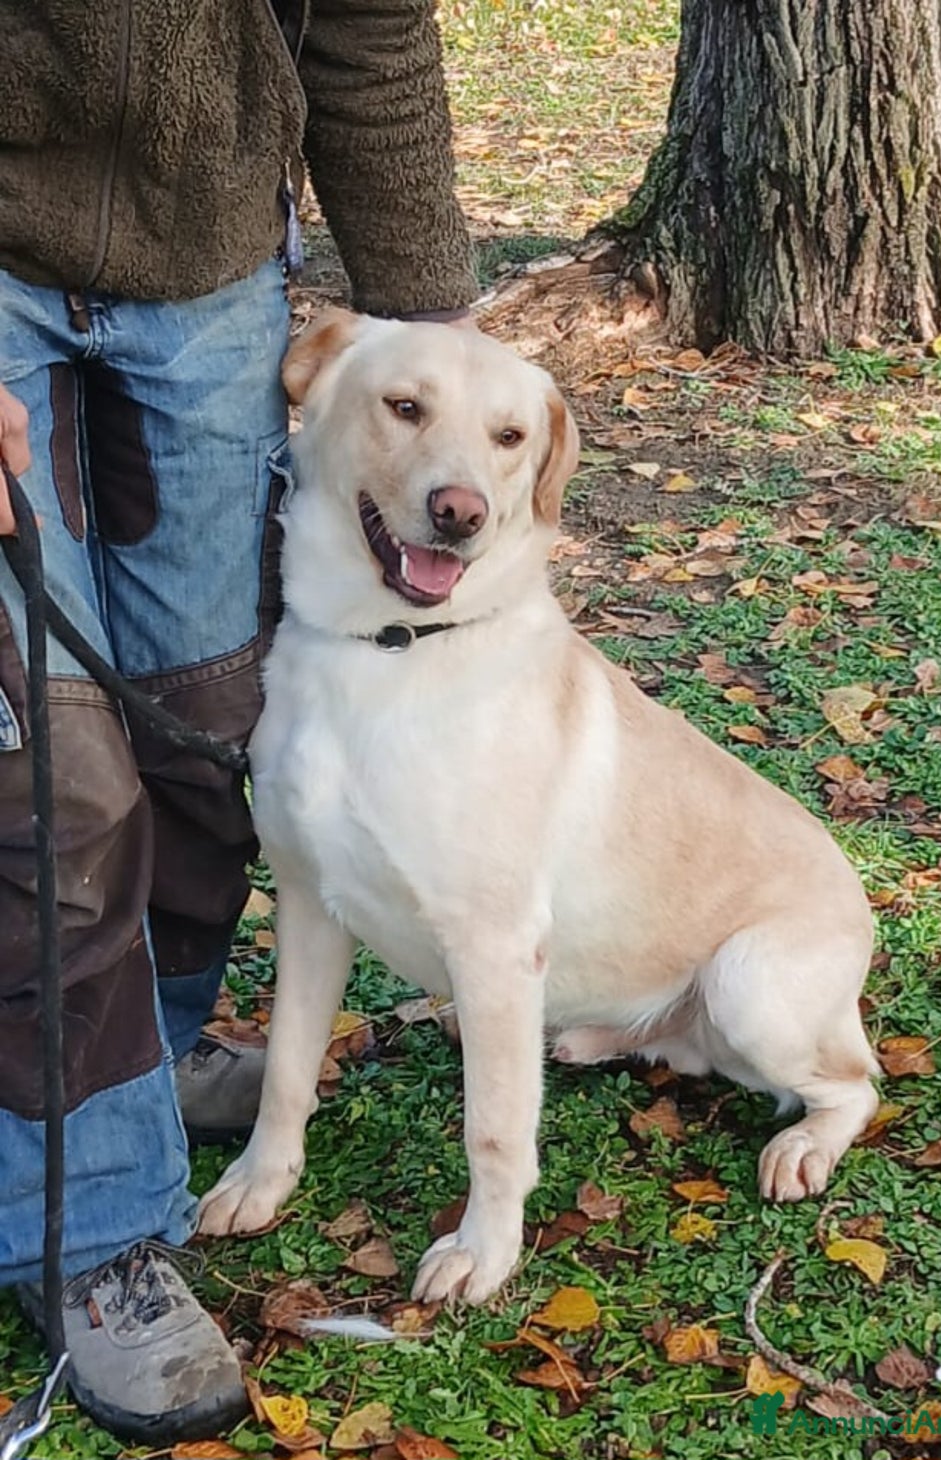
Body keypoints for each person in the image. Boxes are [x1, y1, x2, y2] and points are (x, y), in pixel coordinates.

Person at [0, 0, 475, 1444]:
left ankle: (140, 1048)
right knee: (51, 778)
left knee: (216, 729)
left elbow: (371, 34)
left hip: (205, 275)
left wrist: (441, 350)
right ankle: (91, 1228)